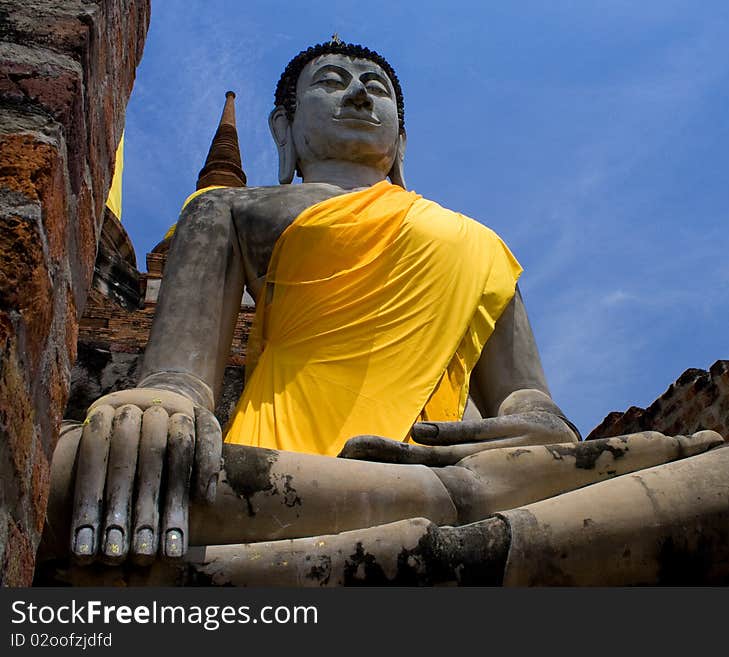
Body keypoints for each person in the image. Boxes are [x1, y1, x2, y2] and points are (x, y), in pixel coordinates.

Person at [63, 40, 582, 565]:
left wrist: (542, 427)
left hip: (449, 466)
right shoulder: (227, 209)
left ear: (401, 141)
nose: (358, 94)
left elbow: (527, 401)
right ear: (283, 130)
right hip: (288, 470)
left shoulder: (478, 242)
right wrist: (160, 408)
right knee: (81, 463)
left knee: (664, 465)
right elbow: (177, 380)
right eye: (332, 81)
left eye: (375, 88)